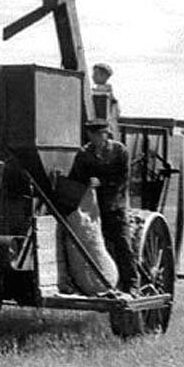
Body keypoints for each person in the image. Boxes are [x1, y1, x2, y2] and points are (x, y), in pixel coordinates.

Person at [69, 119, 136, 293]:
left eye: (101, 134)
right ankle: (93, 285)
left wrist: (102, 183)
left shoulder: (119, 151)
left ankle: (132, 285)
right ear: (90, 135)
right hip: (92, 208)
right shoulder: (84, 154)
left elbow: (123, 179)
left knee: (123, 243)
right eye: (94, 134)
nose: (98, 138)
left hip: (114, 205)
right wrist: (86, 183)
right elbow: (76, 178)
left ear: (106, 134)